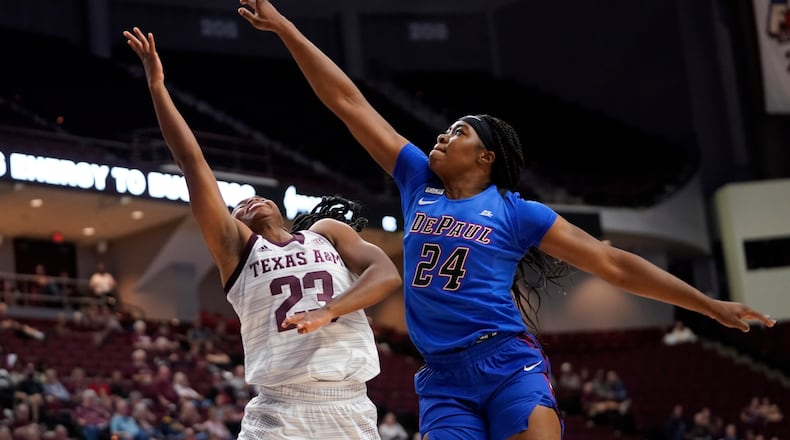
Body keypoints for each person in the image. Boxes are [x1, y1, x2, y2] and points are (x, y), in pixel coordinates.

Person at [236, 2, 778, 439]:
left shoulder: (518, 213)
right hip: (441, 376)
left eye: (459, 132)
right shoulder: (417, 180)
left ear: (486, 157)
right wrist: (286, 28)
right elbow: (348, 102)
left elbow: (612, 263)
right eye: (446, 128)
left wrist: (708, 305)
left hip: (505, 359)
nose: (443, 135)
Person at [122, 26, 402, 440]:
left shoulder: (327, 232)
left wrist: (327, 311)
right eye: (240, 206)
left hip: (349, 403)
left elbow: (387, 276)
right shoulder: (237, 249)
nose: (250, 201)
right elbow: (192, 163)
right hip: (279, 408)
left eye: (256, 196)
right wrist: (157, 87)